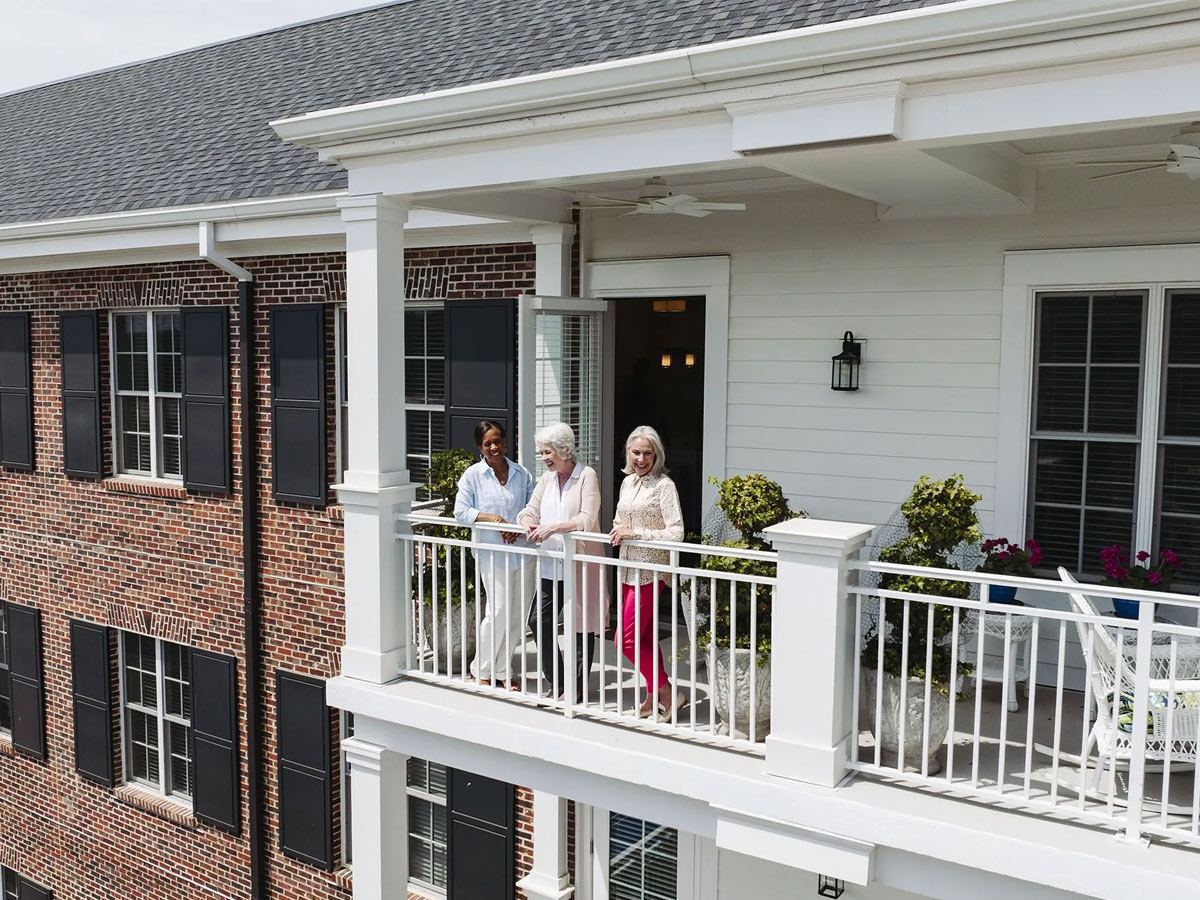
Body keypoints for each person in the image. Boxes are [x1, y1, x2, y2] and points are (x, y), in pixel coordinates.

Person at [517, 422, 608, 702]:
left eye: (548, 452)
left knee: (579, 625)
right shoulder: (546, 479)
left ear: (564, 450)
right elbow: (530, 509)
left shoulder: (586, 476)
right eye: (542, 452)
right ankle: (555, 679)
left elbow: (586, 518)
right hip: (550, 563)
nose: (544, 458)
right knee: (539, 620)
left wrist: (554, 527)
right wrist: (528, 523)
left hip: (579, 563)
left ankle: (576, 686)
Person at [610, 425, 685, 717]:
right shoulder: (627, 483)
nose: (641, 458)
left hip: (651, 571)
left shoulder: (664, 486)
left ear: (657, 455)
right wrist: (618, 531)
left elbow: (676, 533)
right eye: (636, 452)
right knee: (643, 639)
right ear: (629, 453)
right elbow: (620, 519)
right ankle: (655, 695)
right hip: (627, 569)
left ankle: (665, 689)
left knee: (624, 640)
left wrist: (635, 532)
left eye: (647, 453)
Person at [454, 420, 535, 689]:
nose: (494, 447)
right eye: (487, 443)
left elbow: (533, 508)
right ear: (480, 446)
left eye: (498, 440)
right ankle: (482, 668)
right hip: (493, 553)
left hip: (523, 551)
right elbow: (461, 513)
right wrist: (495, 520)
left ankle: (503, 670)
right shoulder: (473, 476)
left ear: (505, 442)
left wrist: (518, 526)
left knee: (517, 616)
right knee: (498, 610)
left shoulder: (521, 473)